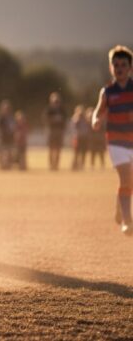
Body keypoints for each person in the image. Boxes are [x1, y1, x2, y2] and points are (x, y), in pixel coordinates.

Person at [90, 45, 133, 236]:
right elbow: (97, 112)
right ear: (111, 68)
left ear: (130, 68)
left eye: (123, 65)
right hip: (116, 141)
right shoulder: (107, 92)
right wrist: (96, 120)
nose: (120, 68)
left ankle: (120, 205)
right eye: (116, 65)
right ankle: (127, 220)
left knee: (129, 182)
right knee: (125, 178)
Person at [44, 92, 67, 171]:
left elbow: (65, 120)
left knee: (58, 148)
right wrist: (54, 119)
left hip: (59, 131)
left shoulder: (62, 110)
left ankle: (56, 164)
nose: (56, 103)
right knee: (51, 148)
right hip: (51, 131)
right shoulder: (49, 110)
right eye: (54, 101)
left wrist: (63, 129)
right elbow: (45, 119)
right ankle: (51, 165)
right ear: (51, 101)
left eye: (57, 101)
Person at [0, 100, 16, 170]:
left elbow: (14, 127)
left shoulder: (11, 117)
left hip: (10, 137)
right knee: (3, 152)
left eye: (7, 108)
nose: (6, 110)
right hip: (3, 137)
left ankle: (9, 165)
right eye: (5, 108)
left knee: (9, 152)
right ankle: (2, 165)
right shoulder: (0, 118)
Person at [71, 105, 90, 171]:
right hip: (77, 138)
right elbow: (74, 125)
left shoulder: (86, 119)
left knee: (83, 152)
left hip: (84, 138)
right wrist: (78, 117)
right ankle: (74, 165)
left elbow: (89, 125)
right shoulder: (76, 118)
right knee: (76, 152)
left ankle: (82, 165)